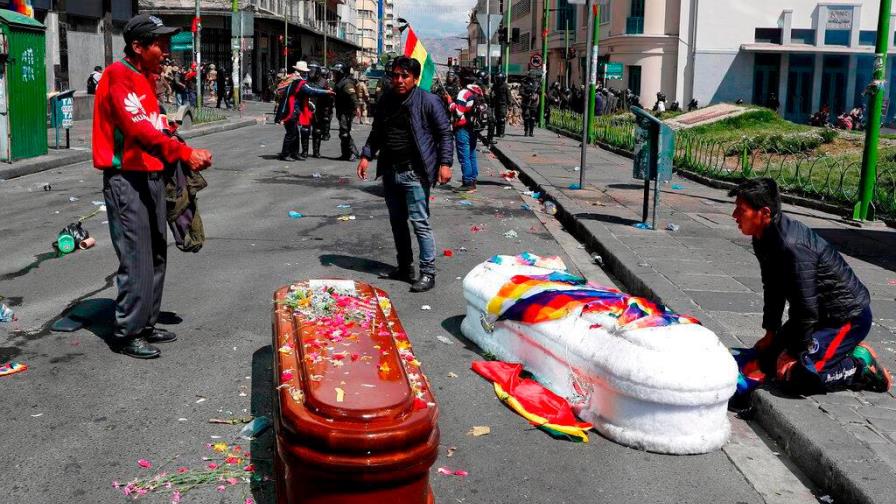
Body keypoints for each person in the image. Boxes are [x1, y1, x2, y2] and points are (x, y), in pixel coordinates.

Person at [93, 14, 212, 359]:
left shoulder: (144, 79)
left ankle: (146, 321)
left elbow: (151, 122)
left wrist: (168, 126)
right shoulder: (119, 77)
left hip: (151, 174)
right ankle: (128, 331)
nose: (165, 49)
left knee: (157, 251)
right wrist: (184, 152)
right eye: (158, 43)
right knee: (136, 256)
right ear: (137, 46)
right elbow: (137, 130)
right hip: (126, 178)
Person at [728, 178, 891, 397]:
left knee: (797, 376)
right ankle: (835, 350)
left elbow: (805, 306)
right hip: (816, 317)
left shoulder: (792, 247)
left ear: (764, 212)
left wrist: (796, 352)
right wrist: (771, 332)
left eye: (741, 210)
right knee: (766, 361)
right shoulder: (762, 236)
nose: (734, 216)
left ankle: (859, 365)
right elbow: (773, 288)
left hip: (845, 318)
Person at [357, 56, 453, 293]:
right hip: (390, 171)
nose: (399, 80)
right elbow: (377, 131)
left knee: (420, 223)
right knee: (397, 223)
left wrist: (445, 163)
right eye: (395, 75)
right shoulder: (387, 100)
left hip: (415, 172)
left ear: (415, 78)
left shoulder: (429, 101)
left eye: (404, 76)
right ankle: (404, 267)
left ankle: (428, 272)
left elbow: (444, 134)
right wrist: (366, 155)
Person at [275, 61, 333, 161]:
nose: (308, 73)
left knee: (297, 134)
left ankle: (295, 153)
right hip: (291, 110)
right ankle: (285, 154)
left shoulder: (296, 80)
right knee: (292, 134)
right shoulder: (298, 82)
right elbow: (311, 91)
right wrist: (326, 91)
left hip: (300, 110)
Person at [449, 70, 486, 193]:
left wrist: (450, 103)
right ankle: (473, 178)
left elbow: (459, 112)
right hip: (474, 127)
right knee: (471, 153)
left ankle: (468, 182)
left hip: (463, 127)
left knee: (464, 156)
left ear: (463, 80)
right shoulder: (478, 90)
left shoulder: (463, 93)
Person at [331, 63, 360, 161]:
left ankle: (353, 152)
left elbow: (353, 97)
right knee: (342, 133)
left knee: (344, 133)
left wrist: (357, 108)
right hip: (341, 110)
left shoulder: (346, 83)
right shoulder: (340, 81)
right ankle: (345, 154)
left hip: (346, 111)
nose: (334, 74)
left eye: (336, 72)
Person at [310, 63, 334, 158]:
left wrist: (326, 109)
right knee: (305, 130)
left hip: (319, 107)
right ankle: (304, 152)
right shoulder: (307, 81)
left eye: (313, 70)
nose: (311, 72)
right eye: (310, 70)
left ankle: (316, 152)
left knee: (317, 130)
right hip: (307, 107)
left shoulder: (324, 82)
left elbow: (329, 97)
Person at [491, 72, 511, 138]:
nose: (497, 80)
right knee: (496, 118)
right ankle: (497, 132)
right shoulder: (495, 85)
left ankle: (501, 133)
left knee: (501, 119)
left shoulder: (505, 86)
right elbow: (492, 93)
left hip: (503, 104)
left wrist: (509, 104)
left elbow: (508, 95)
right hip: (496, 103)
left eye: (498, 79)